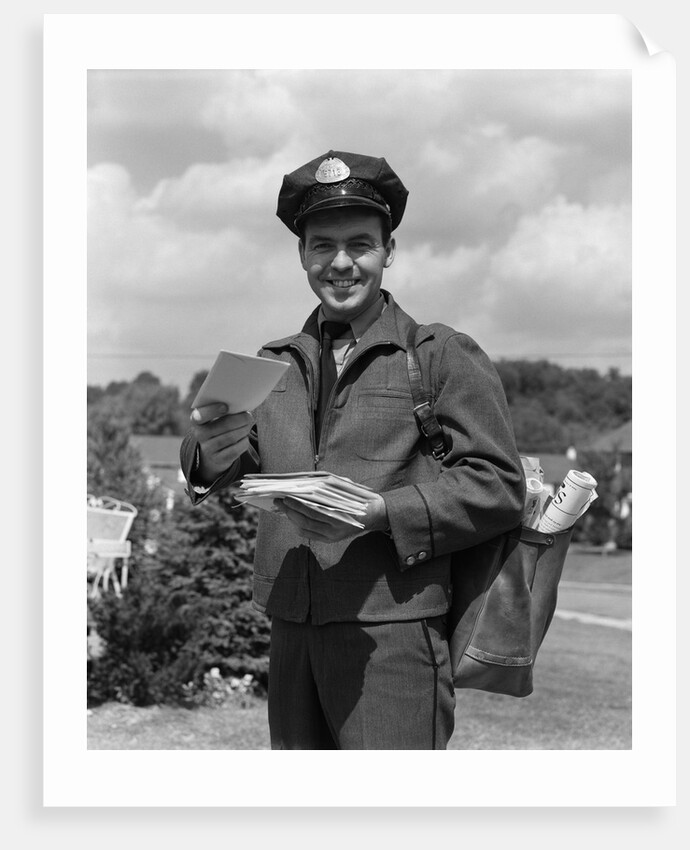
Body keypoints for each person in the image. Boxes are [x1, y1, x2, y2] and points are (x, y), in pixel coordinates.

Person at [180, 150, 525, 749]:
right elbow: (238, 465)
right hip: (291, 625)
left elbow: (499, 484)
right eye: (323, 246)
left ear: (389, 251)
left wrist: (381, 513)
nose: (340, 263)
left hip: (393, 633)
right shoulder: (274, 364)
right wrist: (210, 453)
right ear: (302, 254)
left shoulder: (440, 355)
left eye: (360, 244)